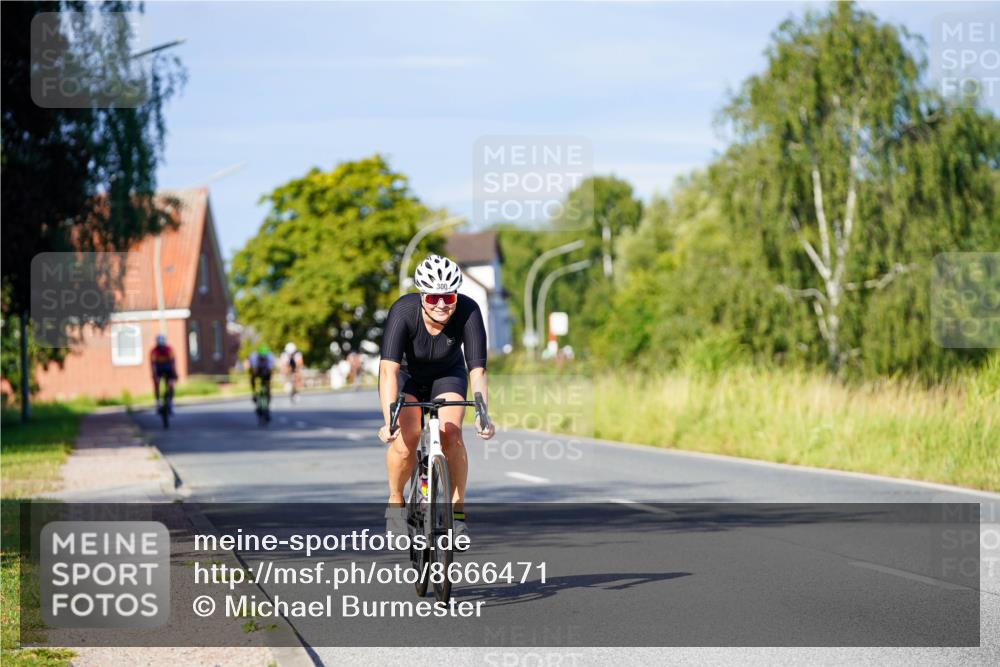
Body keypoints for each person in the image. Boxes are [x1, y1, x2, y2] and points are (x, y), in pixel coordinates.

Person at [378, 254, 496, 541]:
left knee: (452, 433)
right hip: (407, 375)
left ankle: (456, 513)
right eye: (433, 299)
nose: (442, 305)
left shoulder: (468, 311)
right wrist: (388, 421)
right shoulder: (403, 311)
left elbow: (477, 371)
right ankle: (396, 499)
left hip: (447, 374)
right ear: (422, 297)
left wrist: (484, 415)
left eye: (448, 297)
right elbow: (388, 372)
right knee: (407, 439)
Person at [150, 334, 177, 414]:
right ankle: (158, 402)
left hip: (168, 369)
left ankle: (171, 403)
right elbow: (153, 364)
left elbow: (173, 362)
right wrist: (155, 376)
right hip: (158, 369)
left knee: (171, 385)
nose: (161, 347)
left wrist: (174, 374)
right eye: (159, 345)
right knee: (156, 383)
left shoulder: (169, 349)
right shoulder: (154, 351)